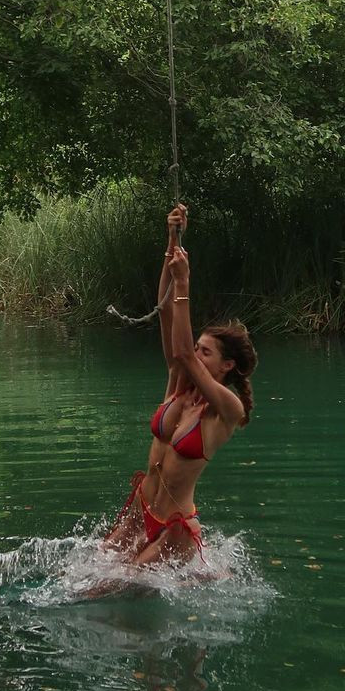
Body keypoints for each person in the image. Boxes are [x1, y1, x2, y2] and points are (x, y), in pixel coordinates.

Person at [104, 205, 257, 566]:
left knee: (110, 589)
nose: (195, 355)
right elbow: (165, 308)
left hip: (175, 529)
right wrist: (172, 242)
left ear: (227, 365)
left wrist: (186, 282)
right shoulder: (178, 384)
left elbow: (184, 353)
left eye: (207, 352)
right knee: (84, 585)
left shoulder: (228, 410)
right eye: (198, 348)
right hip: (141, 510)